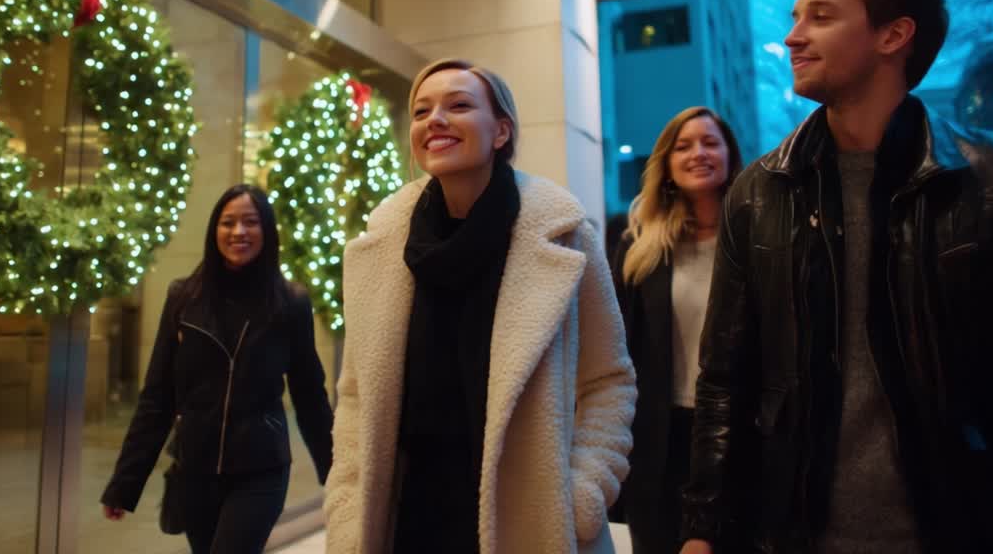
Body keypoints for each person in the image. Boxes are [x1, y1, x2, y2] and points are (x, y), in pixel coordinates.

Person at [679, 0, 993, 554]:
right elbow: (724, 382)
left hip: (974, 527)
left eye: (820, 17)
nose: (793, 37)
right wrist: (703, 532)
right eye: (794, 17)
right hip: (798, 533)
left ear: (894, 35)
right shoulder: (760, 192)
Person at [323, 58, 637, 554]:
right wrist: (346, 506)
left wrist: (582, 495)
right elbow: (357, 396)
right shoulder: (380, 248)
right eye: (422, 111)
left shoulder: (566, 237)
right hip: (408, 521)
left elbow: (608, 381)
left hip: (528, 523)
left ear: (501, 132)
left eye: (459, 105)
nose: (435, 121)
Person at [101, 184, 334, 554]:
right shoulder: (184, 297)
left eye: (250, 222)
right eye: (228, 223)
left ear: (267, 231)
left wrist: (335, 473)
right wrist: (124, 484)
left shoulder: (290, 302)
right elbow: (157, 396)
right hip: (195, 469)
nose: (238, 232)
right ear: (214, 231)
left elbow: (309, 394)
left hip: (261, 469)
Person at [611, 107, 741, 554]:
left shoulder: (759, 241)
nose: (698, 153)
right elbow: (615, 356)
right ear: (666, 164)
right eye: (683, 146)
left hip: (740, 437)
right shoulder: (639, 251)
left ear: (729, 154)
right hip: (659, 443)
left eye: (710, 142)